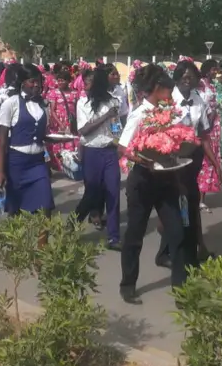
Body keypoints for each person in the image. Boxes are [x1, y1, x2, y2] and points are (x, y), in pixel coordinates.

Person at [118, 65, 190, 304]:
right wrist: (145, 160)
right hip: (143, 180)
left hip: (167, 178)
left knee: (177, 232)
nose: (171, 97)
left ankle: (181, 290)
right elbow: (123, 148)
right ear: (158, 89)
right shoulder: (140, 114)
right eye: (169, 92)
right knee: (135, 235)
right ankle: (128, 284)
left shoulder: (169, 114)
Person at [155, 59, 221, 267]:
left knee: (189, 204)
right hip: (171, 162)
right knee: (177, 207)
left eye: (191, 77)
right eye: (183, 76)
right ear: (177, 78)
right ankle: (183, 251)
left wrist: (215, 162)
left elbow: (203, 134)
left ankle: (188, 250)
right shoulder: (166, 100)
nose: (187, 80)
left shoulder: (198, 100)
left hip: (192, 160)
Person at [0, 64, 55, 216]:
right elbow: (2, 141)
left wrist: (56, 139)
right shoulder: (11, 103)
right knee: (16, 210)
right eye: (32, 81)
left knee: (45, 207)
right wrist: (0, 171)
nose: (36, 85)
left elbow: (42, 134)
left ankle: (43, 241)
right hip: (17, 162)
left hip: (38, 161)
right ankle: (16, 240)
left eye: (39, 81)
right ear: (22, 82)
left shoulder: (43, 104)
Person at [73, 64, 122, 248]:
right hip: (92, 152)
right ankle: (73, 223)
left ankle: (114, 237)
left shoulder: (114, 102)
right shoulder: (82, 103)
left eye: (90, 82)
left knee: (113, 192)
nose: (86, 85)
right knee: (92, 194)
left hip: (110, 151)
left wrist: (118, 141)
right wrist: (105, 116)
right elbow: (84, 130)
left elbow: (117, 126)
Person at [196, 59, 222, 209]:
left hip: (213, 126)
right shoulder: (199, 85)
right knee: (202, 160)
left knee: (210, 159)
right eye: (213, 69)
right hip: (203, 126)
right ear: (206, 69)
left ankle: (202, 197)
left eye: (216, 69)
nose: (215, 72)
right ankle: (197, 197)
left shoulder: (211, 85)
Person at [45, 63, 78, 171]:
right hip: (58, 122)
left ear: (69, 81)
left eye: (63, 80)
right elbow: (52, 110)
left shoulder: (75, 93)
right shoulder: (53, 93)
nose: (60, 82)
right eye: (58, 80)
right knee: (58, 144)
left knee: (70, 143)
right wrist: (60, 123)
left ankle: (70, 166)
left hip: (71, 121)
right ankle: (59, 166)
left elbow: (77, 108)